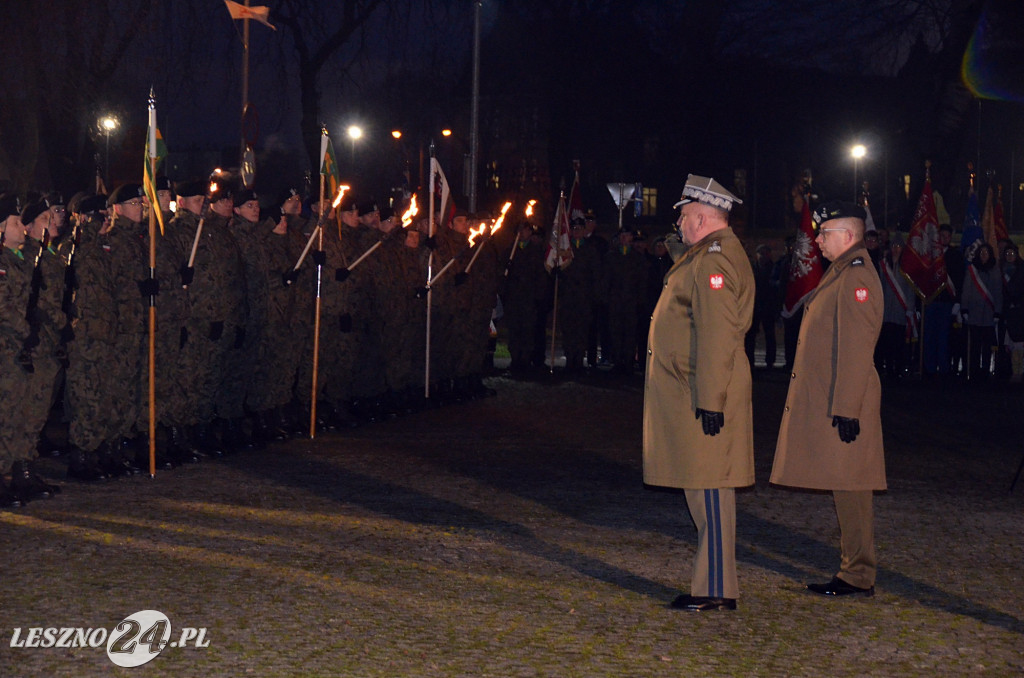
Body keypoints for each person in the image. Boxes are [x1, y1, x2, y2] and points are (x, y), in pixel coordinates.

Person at [643, 175, 754, 612]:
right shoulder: (707, 255)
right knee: (702, 487)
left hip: (702, 392)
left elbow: (715, 335)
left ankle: (715, 588)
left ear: (704, 217)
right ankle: (713, 584)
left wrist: (710, 400)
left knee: (710, 488)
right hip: (695, 388)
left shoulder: (714, 261)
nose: (681, 223)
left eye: (686, 216)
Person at [771, 201, 885, 598]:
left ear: (848, 236)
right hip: (837, 396)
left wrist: (847, 407)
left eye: (825, 233)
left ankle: (857, 574)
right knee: (846, 484)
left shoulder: (856, 276)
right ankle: (855, 570)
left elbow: (856, 346)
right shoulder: (841, 271)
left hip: (845, 400)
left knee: (852, 487)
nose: (817, 240)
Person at [961, 242, 1002, 382]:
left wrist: (997, 311)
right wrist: (964, 308)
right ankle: (973, 372)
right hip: (974, 314)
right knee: (974, 346)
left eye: (986, 252)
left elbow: (998, 293)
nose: (984, 255)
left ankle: (985, 371)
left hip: (989, 314)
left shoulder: (995, 270)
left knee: (987, 347)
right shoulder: (972, 269)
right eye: (982, 252)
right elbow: (966, 291)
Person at [876, 235, 914, 379]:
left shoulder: (907, 267)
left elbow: (910, 289)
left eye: (898, 247)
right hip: (887, 311)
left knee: (899, 342)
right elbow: (880, 286)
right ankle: (889, 368)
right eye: (893, 246)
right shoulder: (884, 265)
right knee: (887, 341)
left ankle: (898, 369)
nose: (895, 249)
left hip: (900, 311)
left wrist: (910, 308)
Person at [744, 243, 778, 369]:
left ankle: (770, 361)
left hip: (768, 305)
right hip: (755, 305)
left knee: (770, 335)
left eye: (765, 253)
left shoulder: (774, 268)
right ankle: (750, 361)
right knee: (751, 336)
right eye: (761, 253)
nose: (763, 256)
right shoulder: (752, 269)